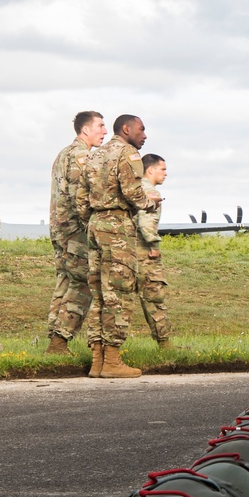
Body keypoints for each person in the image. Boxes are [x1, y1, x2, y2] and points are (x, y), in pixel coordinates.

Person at [76, 114, 160, 379]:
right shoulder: (128, 153)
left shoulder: (95, 155)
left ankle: (98, 361)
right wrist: (151, 203)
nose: (144, 135)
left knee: (99, 294)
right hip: (117, 227)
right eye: (141, 130)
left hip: (95, 225)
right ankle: (112, 360)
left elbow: (81, 200)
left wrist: (94, 220)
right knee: (119, 293)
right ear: (126, 129)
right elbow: (133, 192)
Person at [45, 110, 107, 354]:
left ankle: (53, 340)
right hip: (75, 231)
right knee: (83, 283)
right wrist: (90, 225)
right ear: (85, 130)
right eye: (100, 126)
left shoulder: (63, 153)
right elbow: (77, 196)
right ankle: (60, 341)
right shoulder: (82, 155)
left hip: (60, 230)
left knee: (65, 282)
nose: (104, 132)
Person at [136, 153, 171, 347]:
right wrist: (154, 246)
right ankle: (164, 343)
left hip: (128, 252)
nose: (166, 174)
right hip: (144, 253)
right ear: (150, 169)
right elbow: (146, 222)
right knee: (154, 296)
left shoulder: (134, 189)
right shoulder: (151, 193)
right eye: (162, 169)